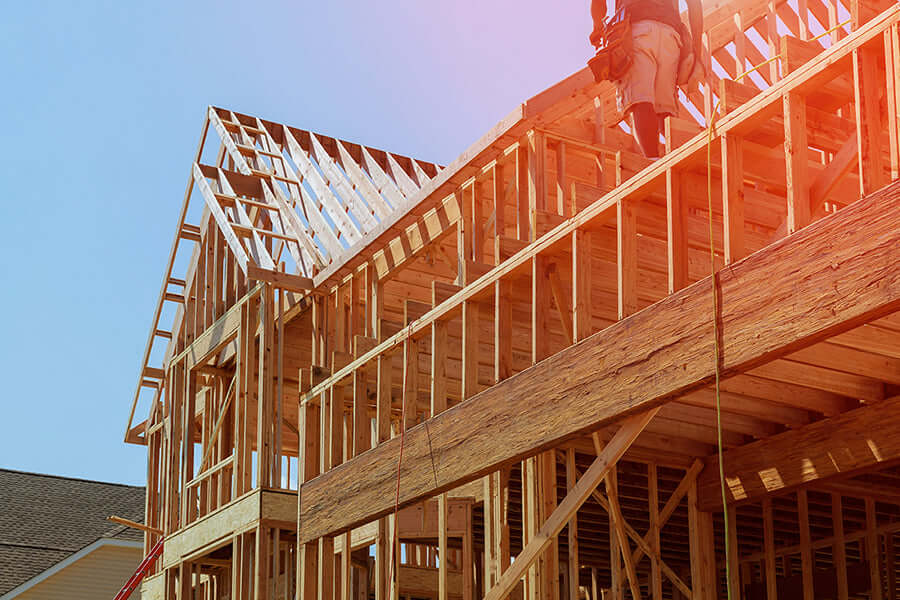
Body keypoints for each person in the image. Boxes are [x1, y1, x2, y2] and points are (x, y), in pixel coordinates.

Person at [590, 0, 704, 158]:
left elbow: (598, 2)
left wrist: (597, 27)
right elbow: (695, 5)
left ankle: (653, 161)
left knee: (640, 99)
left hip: (637, 28)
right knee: (665, 109)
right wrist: (697, 52)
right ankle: (680, 160)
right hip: (670, 34)